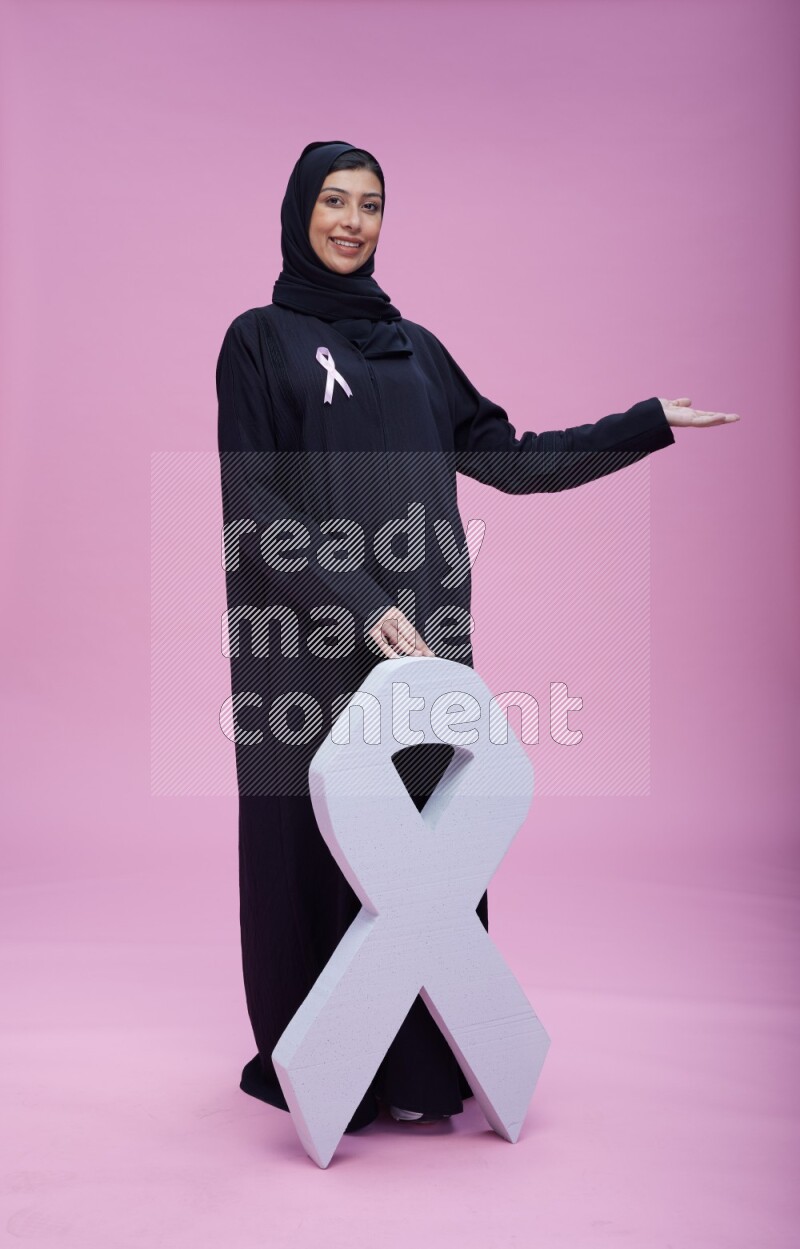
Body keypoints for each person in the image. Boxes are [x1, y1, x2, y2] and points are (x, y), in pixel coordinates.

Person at [216, 140, 740, 1133]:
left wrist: (641, 424)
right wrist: (360, 600)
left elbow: (508, 458)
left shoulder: (414, 348)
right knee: (315, 844)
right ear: (299, 209)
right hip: (310, 639)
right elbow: (254, 501)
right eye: (333, 200)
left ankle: (415, 1067)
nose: (351, 221)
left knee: (423, 851)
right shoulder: (259, 341)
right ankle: (324, 1073)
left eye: (370, 204)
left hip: (420, 647)